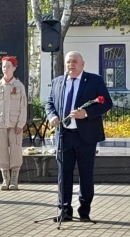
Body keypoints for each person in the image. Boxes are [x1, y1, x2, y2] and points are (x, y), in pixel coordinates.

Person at [46, 51, 112, 221]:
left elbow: (106, 103)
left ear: (82, 64)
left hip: (86, 137)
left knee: (86, 174)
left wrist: (87, 113)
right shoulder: (58, 82)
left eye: (75, 61)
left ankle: (85, 211)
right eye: (68, 62)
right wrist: (52, 115)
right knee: (64, 174)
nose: (71, 65)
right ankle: (65, 210)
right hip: (64, 136)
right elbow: (50, 103)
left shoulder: (94, 80)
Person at [0, 56, 27, 190]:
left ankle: (15, 178)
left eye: (9, 66)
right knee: (1, 151)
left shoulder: (19, 86)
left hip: (15, 124)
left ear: (14, 68)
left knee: (16, 150)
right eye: (4, 66)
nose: (6, 69)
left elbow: (23, 106)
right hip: (0, 123)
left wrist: (21, 123)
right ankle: (5, 177)